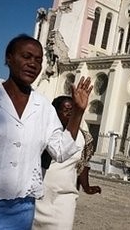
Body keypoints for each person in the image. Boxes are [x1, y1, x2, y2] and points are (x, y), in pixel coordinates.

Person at [0, 34, 93, 229]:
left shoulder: (44, 107)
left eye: (38, 60)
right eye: (26, 57)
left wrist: (78, 112)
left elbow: (61, 151)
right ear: (9, 58)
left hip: (19, 212)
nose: (33, 64)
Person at [33, 96, 101, 230]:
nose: (70, 114)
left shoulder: (84, 138)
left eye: (73, 110)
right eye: (66, 110)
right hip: (38, 197)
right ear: (54, 112)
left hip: (64, 199)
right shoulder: (43, 133)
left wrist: (87, 188)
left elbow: (82, 165)